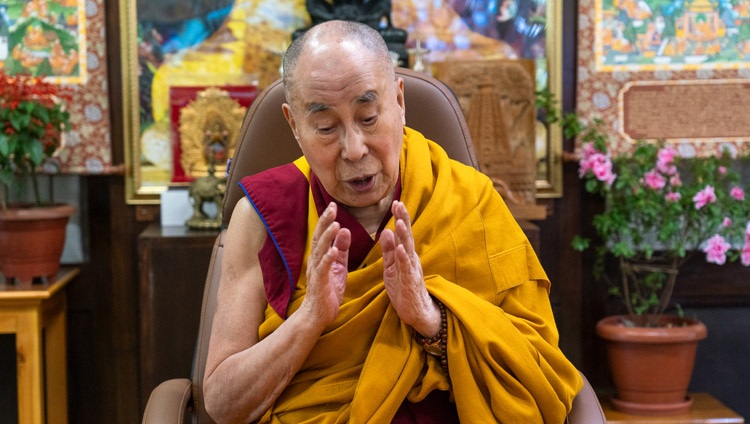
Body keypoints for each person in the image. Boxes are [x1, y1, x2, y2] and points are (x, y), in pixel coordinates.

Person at [203, 19, 582, 423]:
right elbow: (224, 403)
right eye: (326, 127)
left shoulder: (468, 198)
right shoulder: (263, 217)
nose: (353, 148)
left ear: (399, 102)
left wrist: (430, 319)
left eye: (368, 117)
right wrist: (310, 317)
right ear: (295, 125)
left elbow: (538, 371)